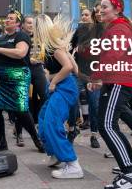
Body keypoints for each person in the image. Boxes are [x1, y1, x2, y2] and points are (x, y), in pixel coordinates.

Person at [90, 0, 132, 189]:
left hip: (118, 82)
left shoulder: (119, 28)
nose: (100, 11)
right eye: (99, 8)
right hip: (116, 81)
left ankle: (130, 176)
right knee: (109, 125)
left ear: (117, 9)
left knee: (106, 126)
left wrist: (97, 76)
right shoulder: (117, 27)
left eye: (104, 7)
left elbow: (114, 55)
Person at [34, 14, 83, 179]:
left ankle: (72, 164)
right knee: (43, 119)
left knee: (52, 123)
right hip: (64, 86)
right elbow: (74, 66)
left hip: (64, 87)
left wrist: (53, 82)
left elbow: (68, 66)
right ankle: (55, 153)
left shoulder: (54, 48)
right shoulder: (54, 46)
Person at [0, 11, 44, 153]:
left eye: (11, 19)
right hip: (0, 78)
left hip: (18, 76)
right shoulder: (0, 38)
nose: (7, 20)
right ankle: (1, 141)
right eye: (6, 18)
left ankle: (37, 140)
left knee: (21, 110)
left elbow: (20, 53)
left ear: (18, 23)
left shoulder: (21, 36)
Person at [69, 8, 103, 148]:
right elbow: (71, 46)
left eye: (86, 15)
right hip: (78, 71)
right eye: (82, 14)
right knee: (71, 99)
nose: (83, 17)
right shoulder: (78, 30)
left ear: (92, 17)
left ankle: (94, 135)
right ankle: (72, 129)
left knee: (94, 104)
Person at [21, 15, 48, 126]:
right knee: (23, 99)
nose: (31, 25)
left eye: (32, 23)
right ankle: (20, 129)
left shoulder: (39, 37)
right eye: (28, 23)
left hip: (37, 69)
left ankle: (42, 121)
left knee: (45, 95)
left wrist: (44, 65)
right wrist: (28, 59)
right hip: (23, 68)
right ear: (22, 25)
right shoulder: (19, 37)